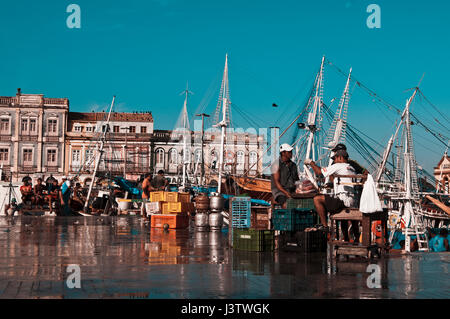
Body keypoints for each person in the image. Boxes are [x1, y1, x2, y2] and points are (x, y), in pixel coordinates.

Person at [305, 149, 359, 241]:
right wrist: (331, 184)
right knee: (330, 202)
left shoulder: (339, 165)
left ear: (340, 158)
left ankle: (325, 226)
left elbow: (319, 172)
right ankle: (348, 238)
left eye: (335, 158)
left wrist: (311, 163)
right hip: (352, 201)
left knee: (317, 199)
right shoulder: (351, 168)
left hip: (343, 201)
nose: (334, 161)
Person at [271, 143, 300, 209]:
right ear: (283, 153)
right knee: (286, 204)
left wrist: (300, 189)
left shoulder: (293, 165)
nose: (291, 153)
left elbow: (297, 180)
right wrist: (286, 193)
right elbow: (277, 183)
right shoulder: (276, 165)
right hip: (280, 192)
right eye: (289, 152)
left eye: (291, 152)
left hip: (292, 191)